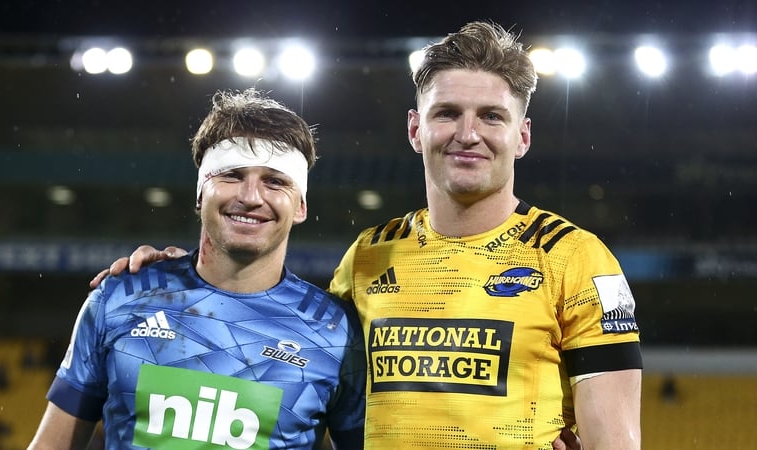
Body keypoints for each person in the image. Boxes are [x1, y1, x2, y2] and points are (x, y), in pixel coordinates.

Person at [95, 20, 642, 449]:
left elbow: (616, 440)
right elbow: (290, 350)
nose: (468, 134)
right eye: (447, 113)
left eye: (492, 117)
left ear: (521, 136)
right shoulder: (367, 257)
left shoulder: (577, 260)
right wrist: (186, 279)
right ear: (415, 129)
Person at [29, 89, 366, 450]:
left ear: (300, 206)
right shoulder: (119, 298)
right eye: (232, 175)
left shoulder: (337, 331)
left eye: (275, 181)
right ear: (200, 193)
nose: (251, 197)